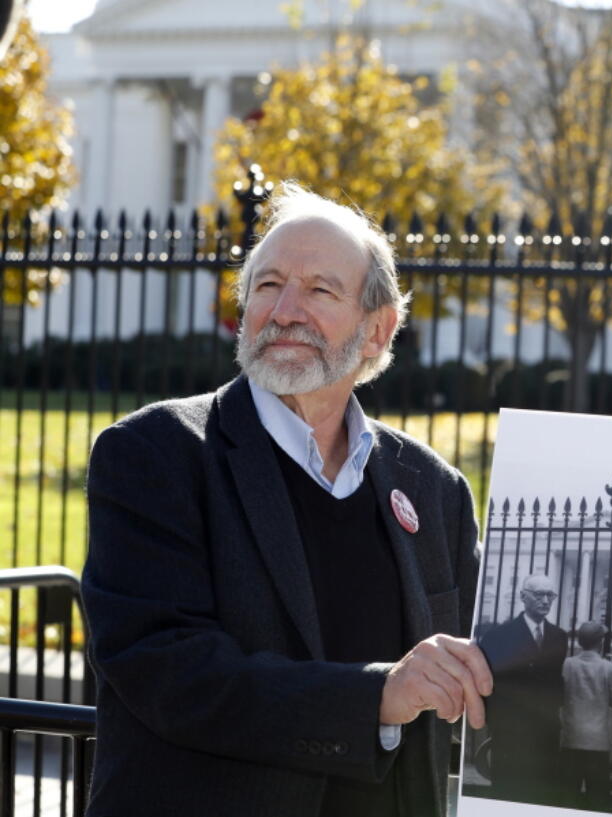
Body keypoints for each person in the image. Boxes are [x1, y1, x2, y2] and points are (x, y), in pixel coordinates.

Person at [82, 183, 492, 817]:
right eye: (268, 286)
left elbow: (505, 656)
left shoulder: (433, 488)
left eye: (320, 290)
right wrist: (376, 695)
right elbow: (169, 670)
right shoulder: (155, 453)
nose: (285, 311)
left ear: (378, 330)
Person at [477, 572, 569, 805]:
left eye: (551, 595)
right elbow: (487, 683)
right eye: (539, 594)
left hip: (545, 729)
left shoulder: (559, 637)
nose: (546, 601)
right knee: (508, 792)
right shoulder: (498, 636)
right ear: (523, 596)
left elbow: (555, 680)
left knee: (541, 794)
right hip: (511, 730)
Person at [560, 621, 612, 810]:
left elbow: (561, 696)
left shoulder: (567, 664)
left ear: (580, 642)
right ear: (601, 642)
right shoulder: (608, 668)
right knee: (598, 798)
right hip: (598, 742)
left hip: (571, 737)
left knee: (568, 798)